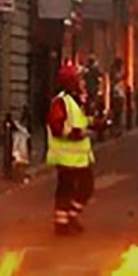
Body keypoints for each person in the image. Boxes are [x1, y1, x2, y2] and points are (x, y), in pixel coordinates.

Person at [46, 62, 96, 236]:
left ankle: (70, 216)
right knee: (66, 189)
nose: (83, 82)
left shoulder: (77, 100)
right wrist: (78, 133)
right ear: (71, 82)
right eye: (79, 78)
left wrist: (98, 124)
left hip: (79, 157)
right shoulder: (60, 102)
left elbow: (82, 121)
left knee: (86, 187)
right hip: (65, 156)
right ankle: (62, 223)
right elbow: (57, 127)